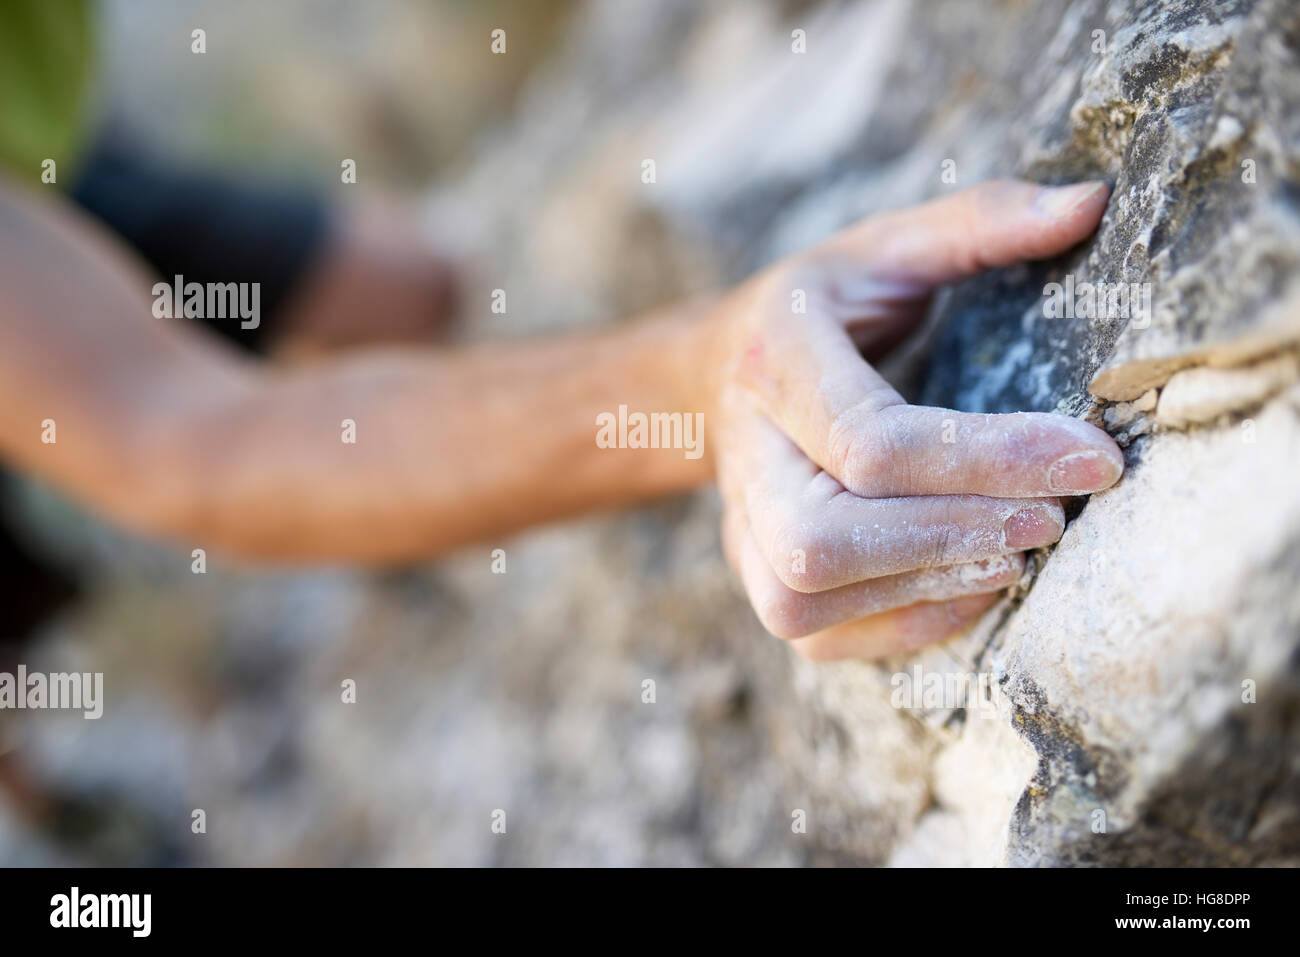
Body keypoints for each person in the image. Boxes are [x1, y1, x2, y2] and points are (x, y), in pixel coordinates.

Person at [0, 3, 1124, 663]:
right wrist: (703, 377)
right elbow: (185, 440)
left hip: (38, 149)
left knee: (408, 280)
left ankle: (380, 489)